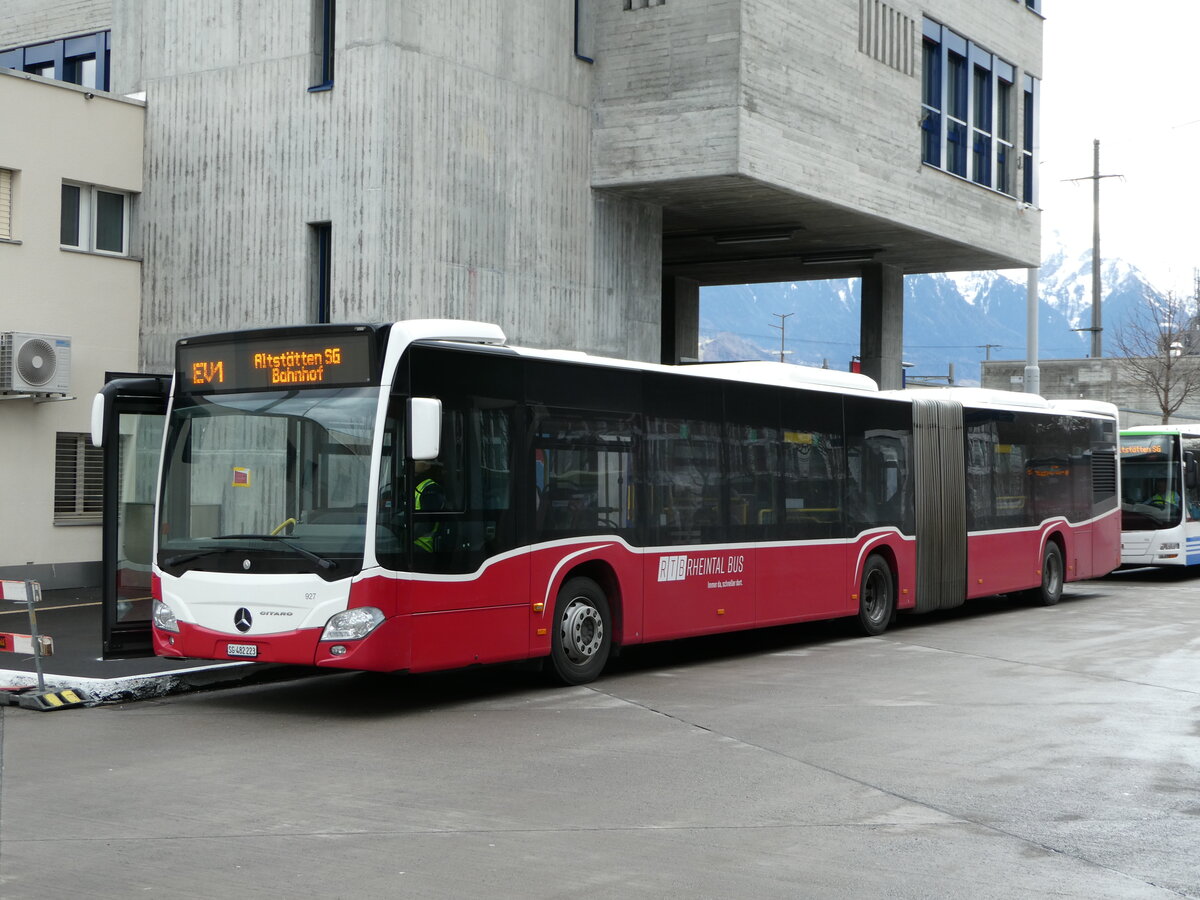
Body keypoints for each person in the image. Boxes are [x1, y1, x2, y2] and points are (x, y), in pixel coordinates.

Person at [413, 459, 445, 552]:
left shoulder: (431, 489)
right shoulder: (416, 483)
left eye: (417, 459)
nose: (413, 461)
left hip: (423, 546)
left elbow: (427, 522)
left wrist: (407, 535)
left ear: (427, 466)